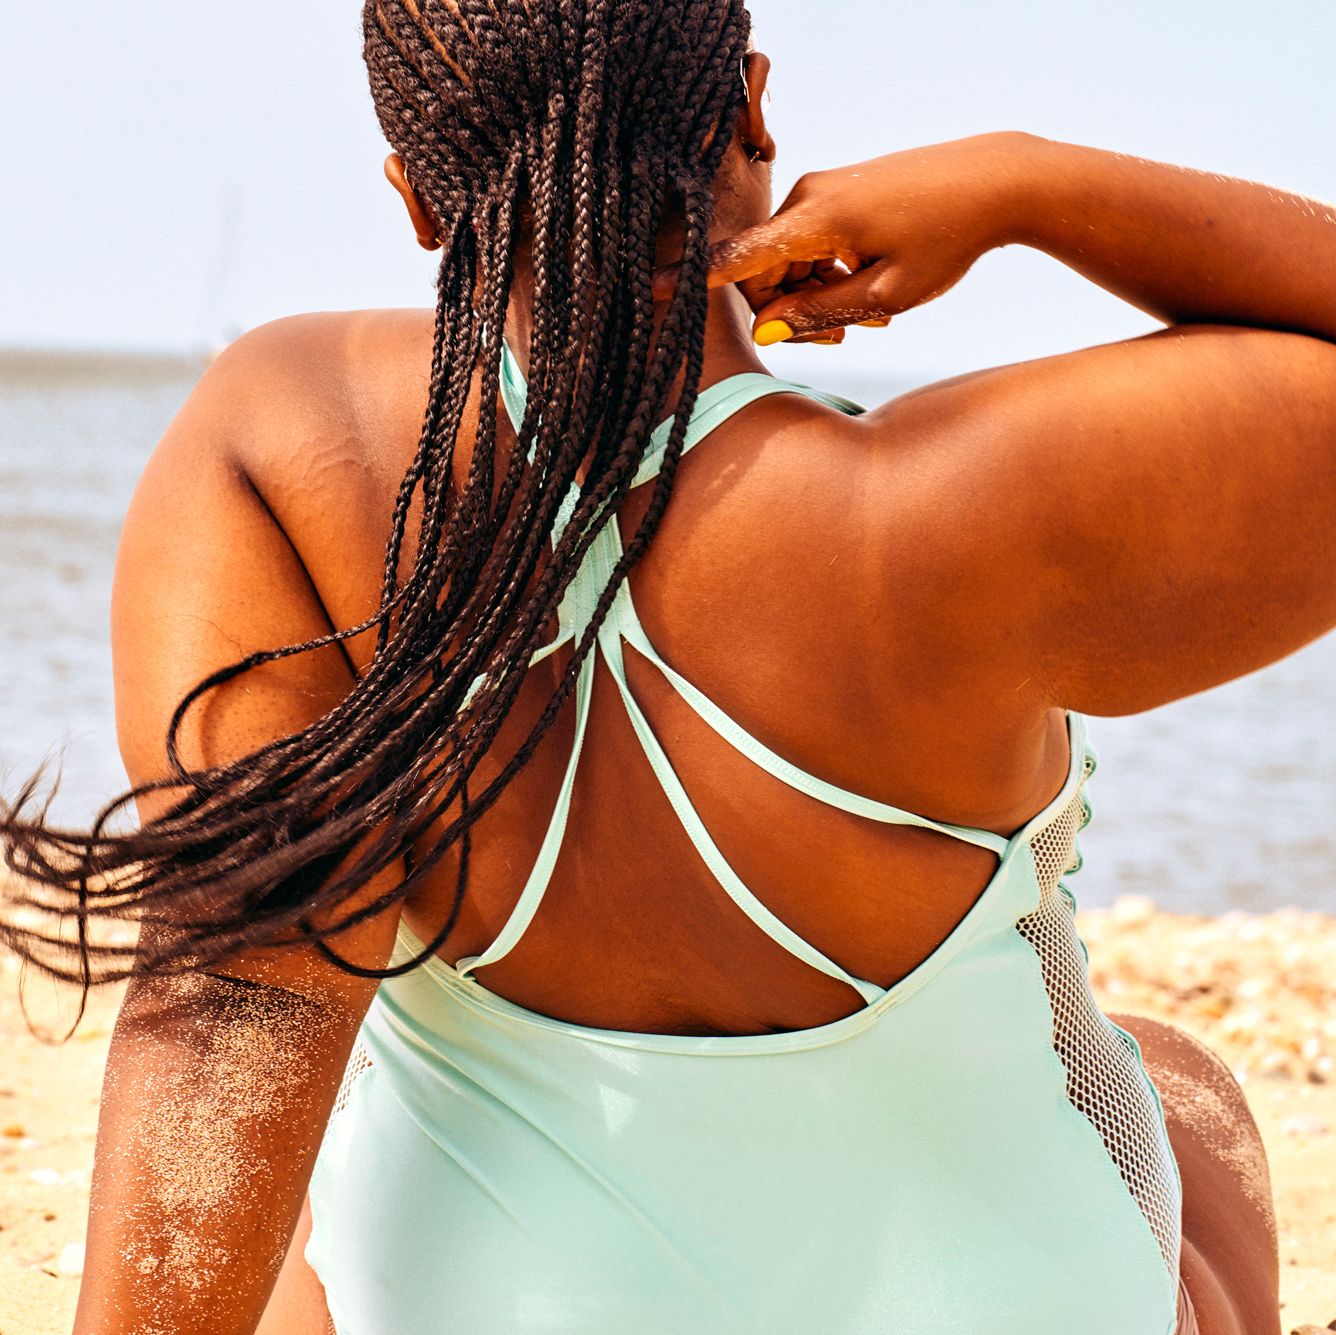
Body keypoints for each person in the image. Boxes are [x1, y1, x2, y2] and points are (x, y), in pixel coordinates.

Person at [5, 0, 1333, 1330]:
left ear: (418, 199)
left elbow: (241, 1019)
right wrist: (1026, 185)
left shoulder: (284, 442)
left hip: (496, 1307)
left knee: (306, 1228)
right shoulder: (958, 507)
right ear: (752, 109)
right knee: (1183, 1089)